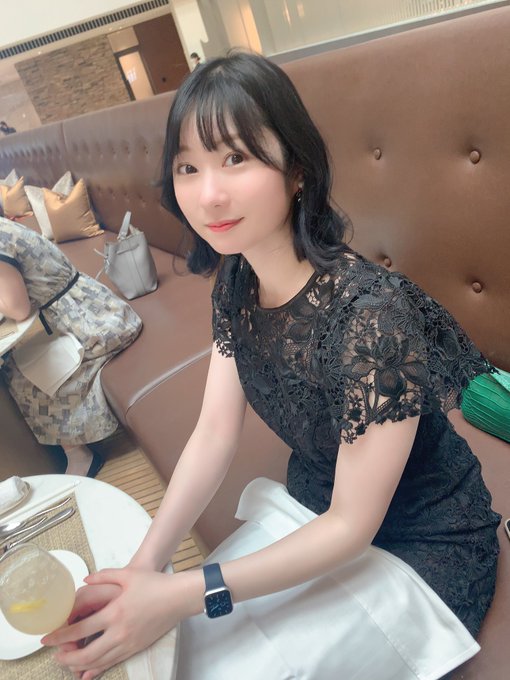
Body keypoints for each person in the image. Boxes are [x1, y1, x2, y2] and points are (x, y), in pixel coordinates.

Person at [42, 52, 500, 680]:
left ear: (298, 170)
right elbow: (213, 433)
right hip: (316, 507)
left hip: (418, 545)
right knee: (180, 654)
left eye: (236, 158)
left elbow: (351, 527)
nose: (209, 194)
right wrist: (145, 569)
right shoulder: (238, 280)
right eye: (188, 167)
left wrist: (181, 592)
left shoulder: (373, 319)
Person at [0, 218, 142, 476]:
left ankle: (78, 454)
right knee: (20, 363)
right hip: (84, 306)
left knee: (20, 376)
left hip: (91, 323)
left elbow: (18, 309)